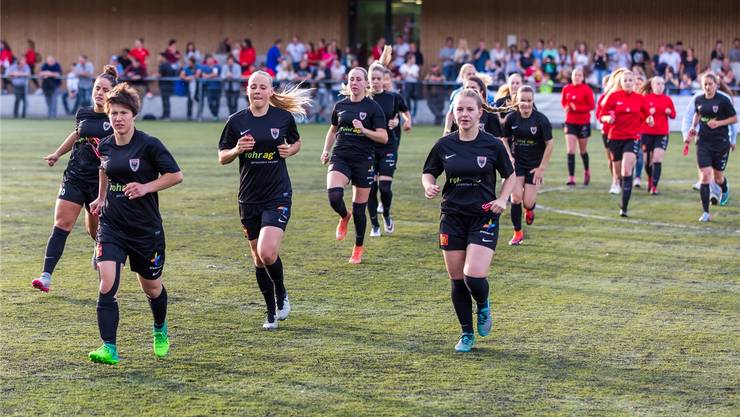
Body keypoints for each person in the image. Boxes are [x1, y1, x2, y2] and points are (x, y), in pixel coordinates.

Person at [87, 83, 183, 365]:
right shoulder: (104, 145)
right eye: (113, 113)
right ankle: (109, 348)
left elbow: (176, 175)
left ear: (133, 115)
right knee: (107, 283)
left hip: (145, 229)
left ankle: (160, 329)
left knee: (152, 288)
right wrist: (101, 198)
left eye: (123, 113)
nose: (118, 118)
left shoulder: (149, 144)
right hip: (113, 226)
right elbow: (104, 169)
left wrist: (145, 187)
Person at [422, 89, 515, 352]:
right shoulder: (444, 145)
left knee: (473, 276)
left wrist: (503, 199)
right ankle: (466, 334)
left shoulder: (492, 144)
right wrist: (428, 186)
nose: (464, 114)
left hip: (483, 216)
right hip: (452, 217)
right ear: (454, 113)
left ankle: (483, 306)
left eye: (469, 110)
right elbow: (429, 172)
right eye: (459, 110)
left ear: (479, 113)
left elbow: (510, 175)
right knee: (456, 279)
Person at [218, 71, 310, 329]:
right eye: (253, 87)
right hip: (248, 198)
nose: (257, 91)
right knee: (257, 260)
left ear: (271, 91)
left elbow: (296, 142)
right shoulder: (236, 121)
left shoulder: (283, 118)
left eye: (262, 87)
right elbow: (222, 156)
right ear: (247, 90)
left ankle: (281, 292)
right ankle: (270, 311)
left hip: (277, 193)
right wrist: (237, 150)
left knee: (267, 252)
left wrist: (289, 150)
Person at [32, 66, 119, 293]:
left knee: (96, 232)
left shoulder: (117, 118)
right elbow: (77, 134)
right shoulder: (83, 112)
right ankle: (46, 275)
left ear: (113, 92)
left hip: (100, 183)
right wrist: (57, 154)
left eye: (105, 89)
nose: (99, 93)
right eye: (96, 88)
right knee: (62, 224)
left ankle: (99, 251)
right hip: (74, 177)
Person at [320, 66, 388, 264]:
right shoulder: (340, 105)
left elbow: (383, 137)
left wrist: (364, 130)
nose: (355, 83)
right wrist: (326, 150)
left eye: (359, 79)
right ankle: (343, 215)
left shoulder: (373, 108)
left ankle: (358, 247)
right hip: (340, 156)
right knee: (334, 196)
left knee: (360, 210)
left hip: (363, 160)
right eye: (352, 79)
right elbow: (333, 130)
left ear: (366, 83)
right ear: (348, 83)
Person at [501, 86, 554, 245]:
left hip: (534, 165)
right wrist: (509, 157)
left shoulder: (541, 120)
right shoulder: (511, 118)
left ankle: (529, 209)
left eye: (529, 101)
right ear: (517, 100)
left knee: (528, 202)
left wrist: (541, 168)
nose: (526, 104)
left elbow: (550, 144)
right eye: (523, 100)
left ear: (533, 101)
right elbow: (504, 139)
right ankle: (517, 233)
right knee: (515, 197)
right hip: (517, 164)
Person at [600, 70, 653, 217]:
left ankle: (624, 207)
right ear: (621, 82)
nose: (629, 83)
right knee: (618, 174)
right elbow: (601, 115)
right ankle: (621, 189)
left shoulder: (639, 98)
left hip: (632, 138)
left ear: (635, 82)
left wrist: (649, 119)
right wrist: (607, 119)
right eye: (626, 80)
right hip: (615, 138)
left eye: (631, 80)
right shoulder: (613, 97)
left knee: (626, 170)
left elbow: (646, 114)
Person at [686, 73, 737, 220]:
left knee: (718, 177)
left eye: (710, 84)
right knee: (705, 176)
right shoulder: (698, 99)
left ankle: (724, 189)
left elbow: (734, 119)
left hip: (720, 143)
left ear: (716, 84)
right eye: (705, 84)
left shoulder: (723, 100)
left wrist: (718, 123)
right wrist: (693, 126)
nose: (708, 87)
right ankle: (706, 212)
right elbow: (697, 113)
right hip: (703, 142)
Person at [366, 49, 403, 237]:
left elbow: (397, 117)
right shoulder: (364, 98)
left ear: (383, 79)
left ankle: (386, 214)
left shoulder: (392, 98)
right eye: (372, 78)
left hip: (388, 146)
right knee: (370, 189)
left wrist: (397, 122)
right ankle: (374, 226)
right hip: (368, 149)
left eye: (378, 78)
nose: (375, 81)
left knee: (385, 188)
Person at [638, 76, 676, 194]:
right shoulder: (646, 99)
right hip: (647, 133)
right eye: (658, 84)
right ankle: (650, 179)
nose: (661, 86)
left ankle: (654, 186)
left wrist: (669, 112)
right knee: (647, 161)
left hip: (662, 133)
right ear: (653, 86)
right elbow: (640, 115)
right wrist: (649, 113)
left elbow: (674, 115)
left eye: (662, 84)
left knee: (657, 159)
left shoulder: (667, 99)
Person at [561, 68, 595, 186]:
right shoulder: (567, 89)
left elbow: (591, 106)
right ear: (572, 77)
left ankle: (586, 171)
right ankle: (571, 177)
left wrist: (578, 109)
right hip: (570, 122)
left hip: (583, 123)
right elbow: (563, 101)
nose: (577, 77)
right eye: (575, 75)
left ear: (583, 77)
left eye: (579, 75)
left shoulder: (587, 90)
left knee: (582, 151)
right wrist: (566, 106)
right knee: (570, 150)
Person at [157, 53, 177, 121]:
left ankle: (166, 116)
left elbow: (159, 75)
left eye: (159, 57)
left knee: (165, 101)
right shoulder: (169, 64)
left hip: (164, 85)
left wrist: (155, 75)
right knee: (166, 100)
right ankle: (166, 115)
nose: (158, 58)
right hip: (169, 85)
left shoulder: (162, 65)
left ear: (163, 57)